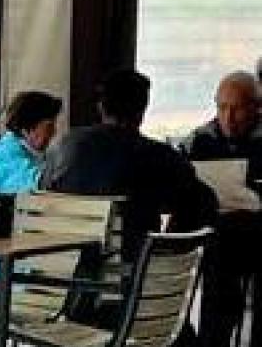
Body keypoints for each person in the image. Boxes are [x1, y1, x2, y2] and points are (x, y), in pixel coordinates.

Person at [41, 68, 215, 260]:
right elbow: (203, 202)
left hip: (60, 267)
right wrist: (166, 250)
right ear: (142, 110)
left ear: (101, 106)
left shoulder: (63, 145)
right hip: (127, 274)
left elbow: (44, 191)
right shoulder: (158, 156)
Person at [180, 70, 262, 347]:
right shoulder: (201, 138)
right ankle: (186, 340)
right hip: (212, 233)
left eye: (237, 108)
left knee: (223, 260)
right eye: (221, 107)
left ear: (256, 107)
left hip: (253, 235)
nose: (228, 117)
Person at [0, 90, 63, 283]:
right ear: (27, 127)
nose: (54, 132)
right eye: (48, 126)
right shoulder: (8, 156)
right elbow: (34, 185)